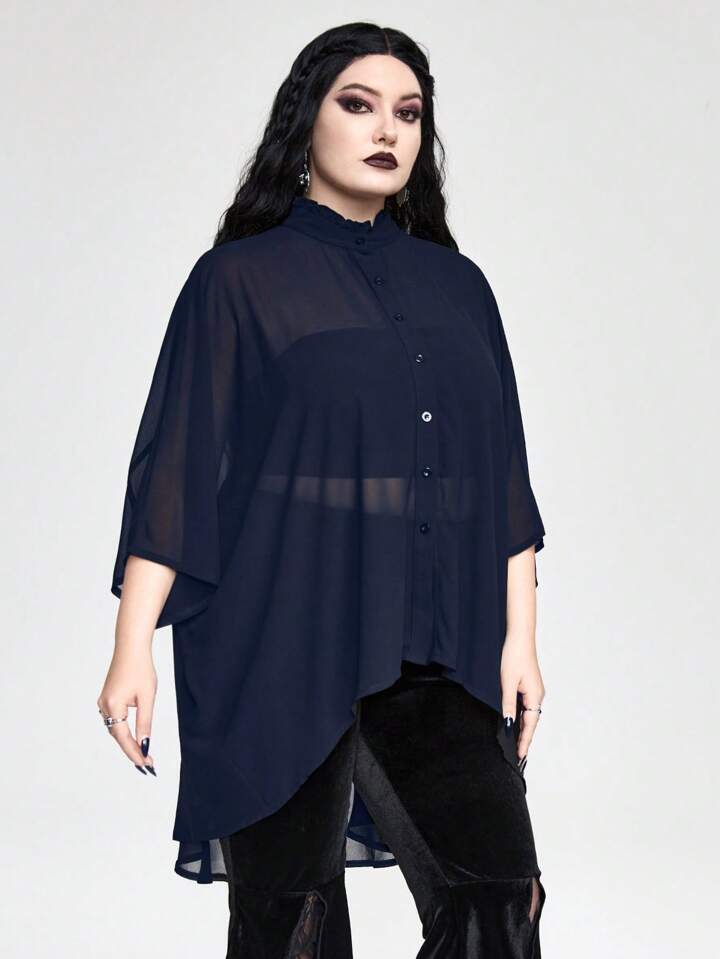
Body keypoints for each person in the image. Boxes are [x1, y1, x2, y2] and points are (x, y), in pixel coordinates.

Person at [98, 21, 549, 958]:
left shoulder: (460, 287)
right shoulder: (238, 281)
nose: (387, 130)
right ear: (307, 121)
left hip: (434, 644)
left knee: (500, 897)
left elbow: (502, 477)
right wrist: (131, 644)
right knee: (293, 922)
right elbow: (180, 467)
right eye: (359, 104)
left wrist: (523, 639)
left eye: (408, 114)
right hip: (275, 640)